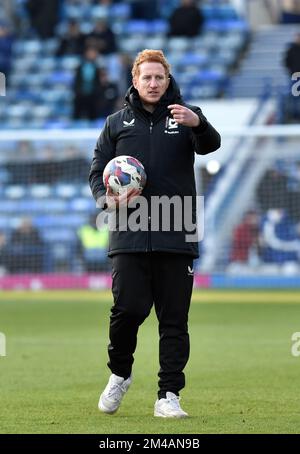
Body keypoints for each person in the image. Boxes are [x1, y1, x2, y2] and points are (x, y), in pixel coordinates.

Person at [89, 49, 220, 417]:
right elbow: (96, 169)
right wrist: (105, 199)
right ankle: (120, 374)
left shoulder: (185, 116)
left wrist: (198, 123)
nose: (152, 83)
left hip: (176, 231)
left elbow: (211, 145)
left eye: (159, 77)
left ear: (167, 80)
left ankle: (168, 395)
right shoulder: (116, 123)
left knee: (174, 319)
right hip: (129, 231)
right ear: (135, 80)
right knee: (127, 311)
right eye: (146, 77)